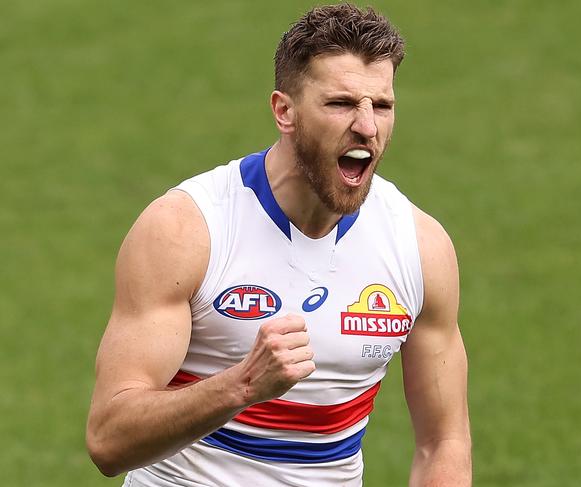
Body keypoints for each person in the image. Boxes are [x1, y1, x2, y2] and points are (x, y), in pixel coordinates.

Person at [86, 4, 471, 486]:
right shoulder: (188, 229)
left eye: (382, 106)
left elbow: (444, 442)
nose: (368, 127)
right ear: (284, 111)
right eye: (341, 103)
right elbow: (108, 439)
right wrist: (242, 384)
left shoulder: (418, 246)